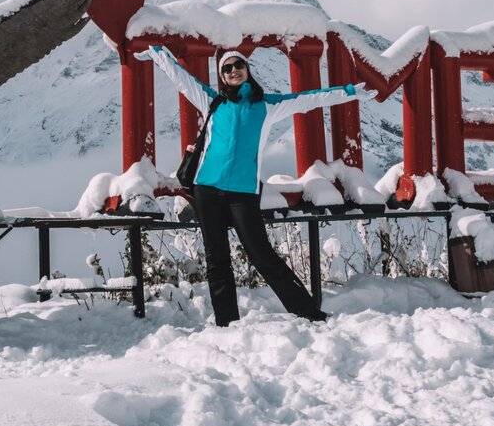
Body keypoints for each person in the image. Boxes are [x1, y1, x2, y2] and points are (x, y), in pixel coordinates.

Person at [135, 45, 375, 327]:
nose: (233, 71)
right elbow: (181, 77)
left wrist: (350, 91)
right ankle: (226, 322)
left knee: (262, 255)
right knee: (217, 259)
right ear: (222, 76)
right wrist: (158, 52)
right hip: (206, 190)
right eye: (227, 68)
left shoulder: (267, 106)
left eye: (238, 65)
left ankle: (308, 313)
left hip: (243, 194)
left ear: (247, 70)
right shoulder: (212, 102)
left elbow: (309, 99)